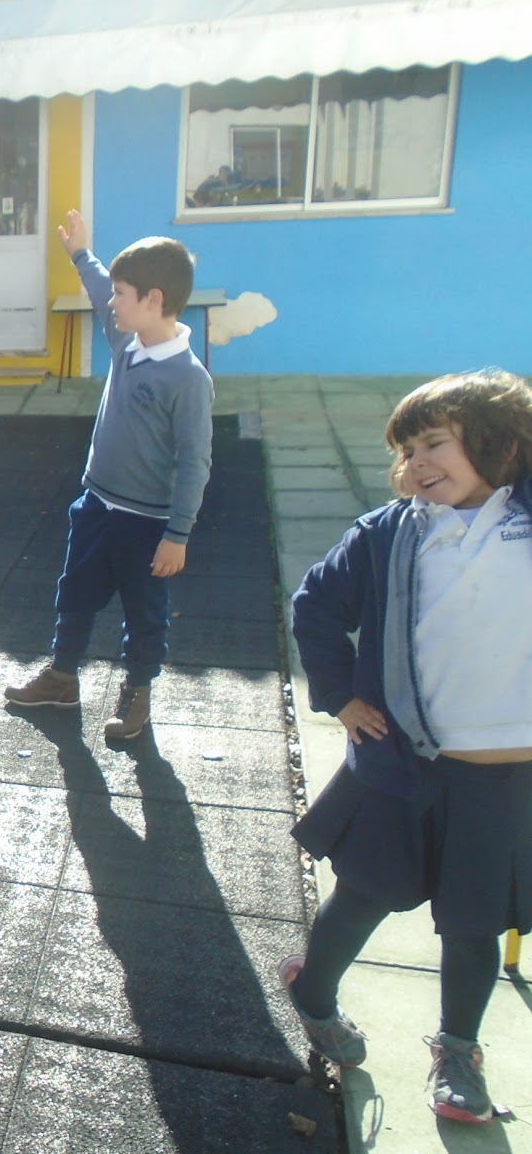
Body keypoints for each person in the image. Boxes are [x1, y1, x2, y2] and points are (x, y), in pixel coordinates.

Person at [285, 369, 532, 1124]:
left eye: (435, 444)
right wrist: (340, 695)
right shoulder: (391, 534)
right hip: (405, 764)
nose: (417, 462)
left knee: (474, 925)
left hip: (504, 778)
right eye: (407, 450)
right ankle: (314, 994)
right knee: (366, 893)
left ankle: (458, 1053)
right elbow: (315, 605)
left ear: (503, 447)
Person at [4, 208, 213, 741]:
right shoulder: (127, 342)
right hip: (97, 505)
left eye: (124, 295)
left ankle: (137, 692)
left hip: (148, 523)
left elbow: (195, 460)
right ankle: (62, 677)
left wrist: (178, 534)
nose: (112, 303)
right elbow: (99, 289)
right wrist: (80, 253)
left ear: (154, 300)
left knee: (145, 614)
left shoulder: (188, 379)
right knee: (74, 593)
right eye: (116, 294)